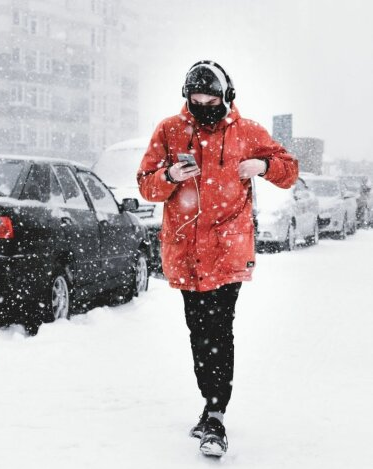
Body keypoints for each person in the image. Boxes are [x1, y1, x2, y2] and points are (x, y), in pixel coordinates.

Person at [136, 60, 298, 458]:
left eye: (211, 99)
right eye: (196, 100)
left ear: (227, 97)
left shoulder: (246, 132)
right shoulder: (170, 131)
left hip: (228, 252)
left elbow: (289, 170)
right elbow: (145, 185)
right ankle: (211, 405)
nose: (203, 106)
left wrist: (262, 165)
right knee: (199, 332)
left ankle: (215, 415)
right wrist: (171, 176)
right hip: (187, 254)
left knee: (218, 331)